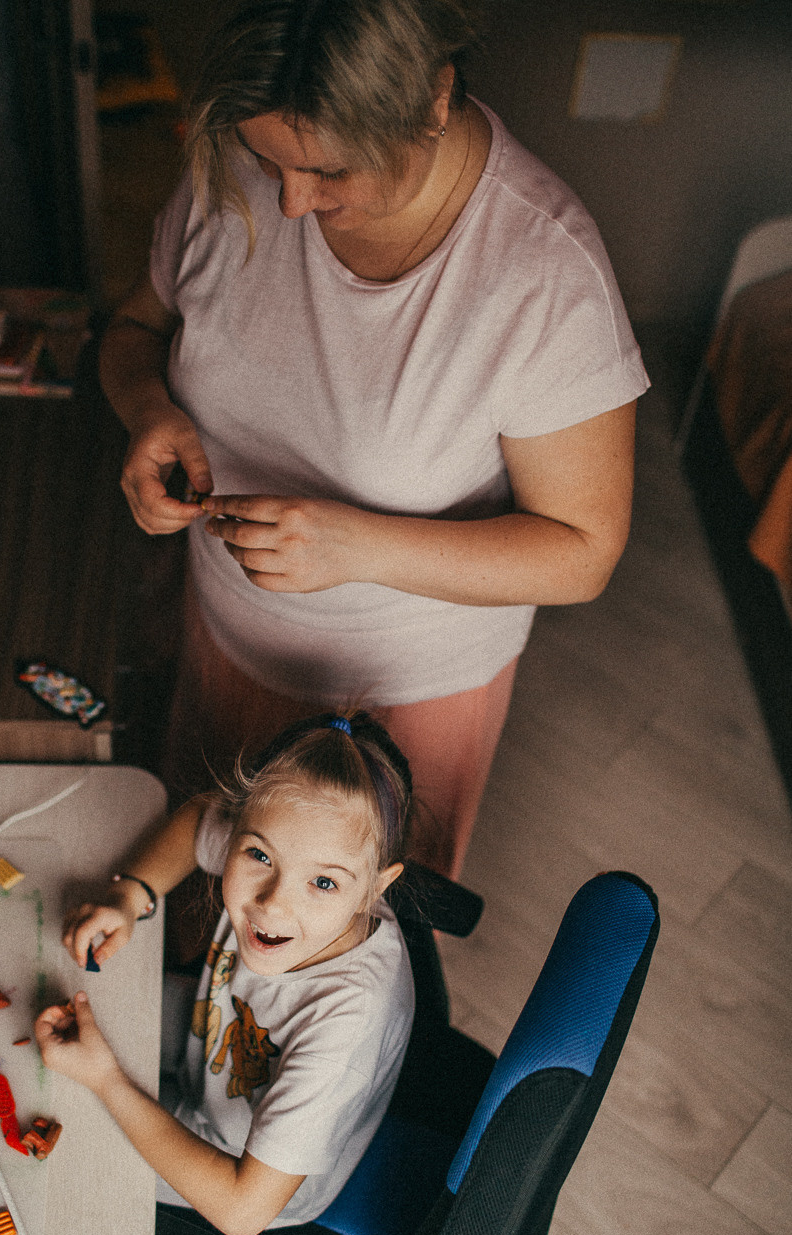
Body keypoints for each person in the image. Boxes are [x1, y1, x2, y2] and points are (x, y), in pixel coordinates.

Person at [99, 0, 650, 880]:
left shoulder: (544, 279)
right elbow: (133, 327)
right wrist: (147, 410)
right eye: (269, 161)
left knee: (345, 958)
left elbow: (583, 552)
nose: (288, 202)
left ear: (434, 100)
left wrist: (356, 544)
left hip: (402, 695)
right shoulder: (239, 168)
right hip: (228, 638)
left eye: (327, 171)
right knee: (208, 891)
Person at [35, 712, 415, 1235]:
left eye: (324, 884)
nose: (272, 905)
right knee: (58, 1009)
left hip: (231, 1162)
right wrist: (131, 895)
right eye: (259, 855)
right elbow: (197, 820)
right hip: (207, 1039)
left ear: (376, 888)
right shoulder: (287, 867)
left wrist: (106, 1079)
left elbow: (243, 1212)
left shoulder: (346, 1027)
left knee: (51, 1130)